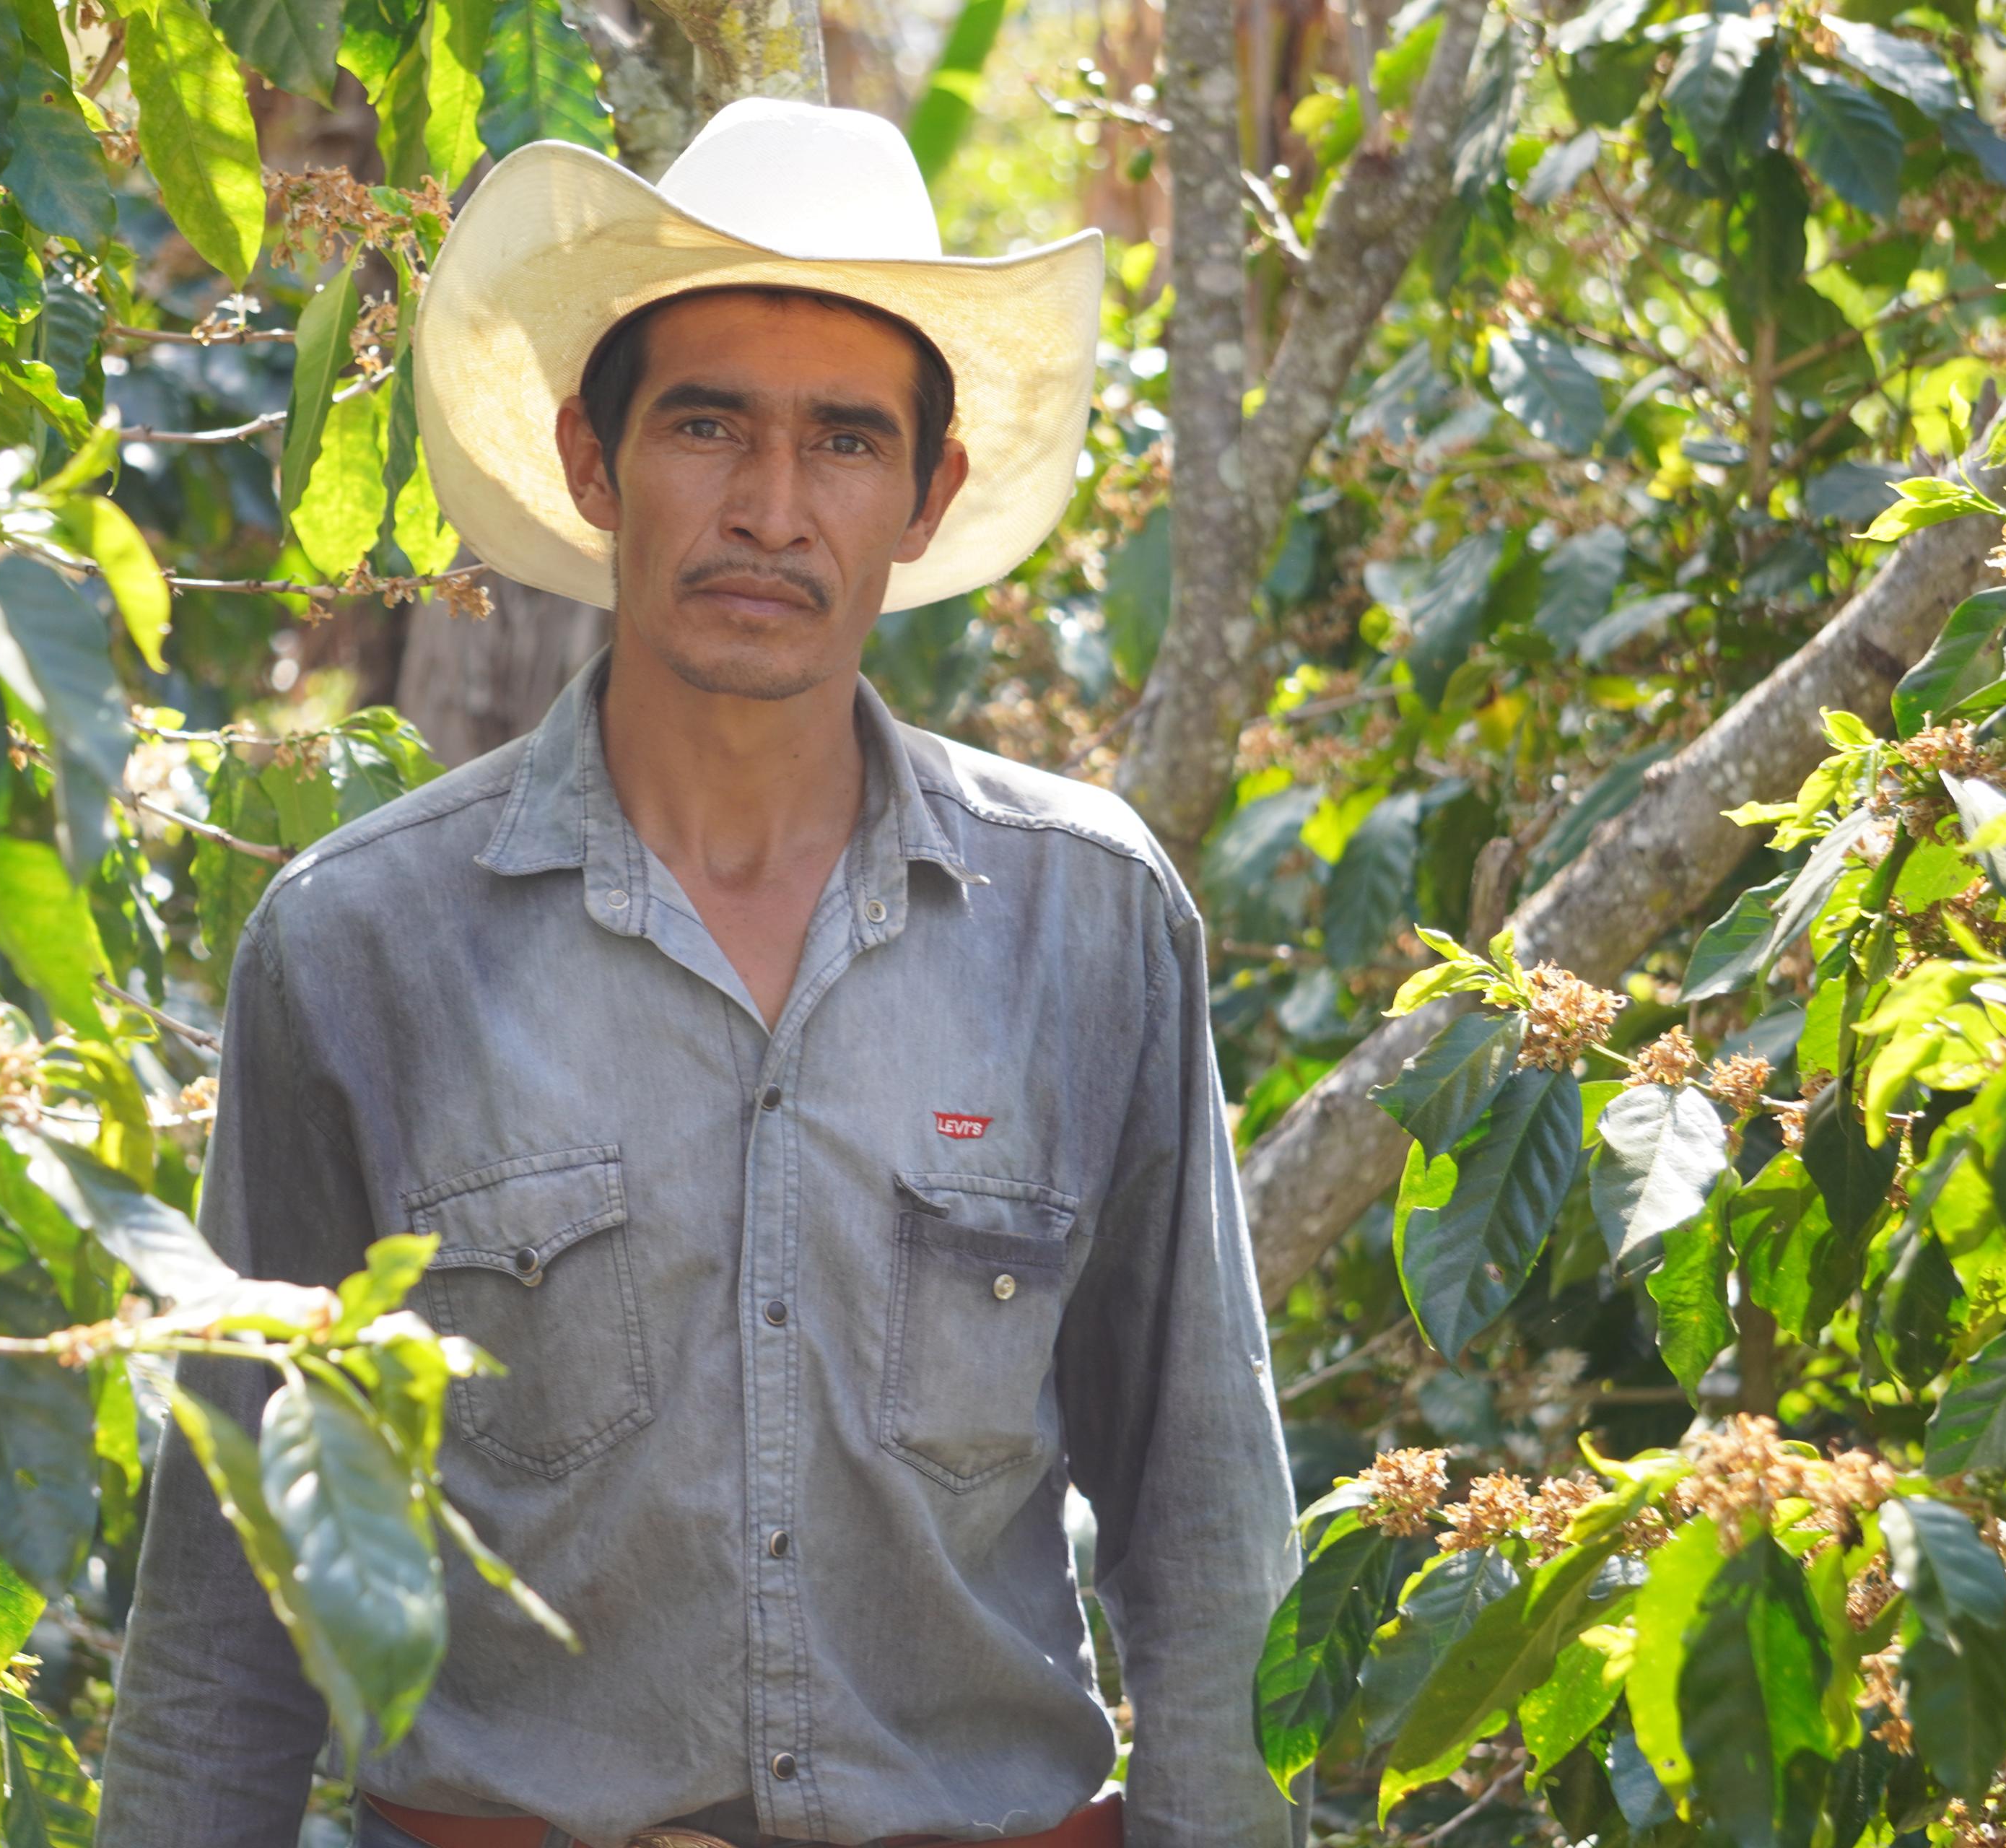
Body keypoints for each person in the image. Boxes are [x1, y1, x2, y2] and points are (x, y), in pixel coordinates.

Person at [97, 97, 1298, 1848]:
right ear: (595, 465)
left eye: (844, 440)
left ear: (927, 492)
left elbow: (1207, 1531)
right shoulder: (362, 947)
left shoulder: (1088, 923)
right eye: (708, 425)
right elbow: (231, 1600)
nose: (770, 506)